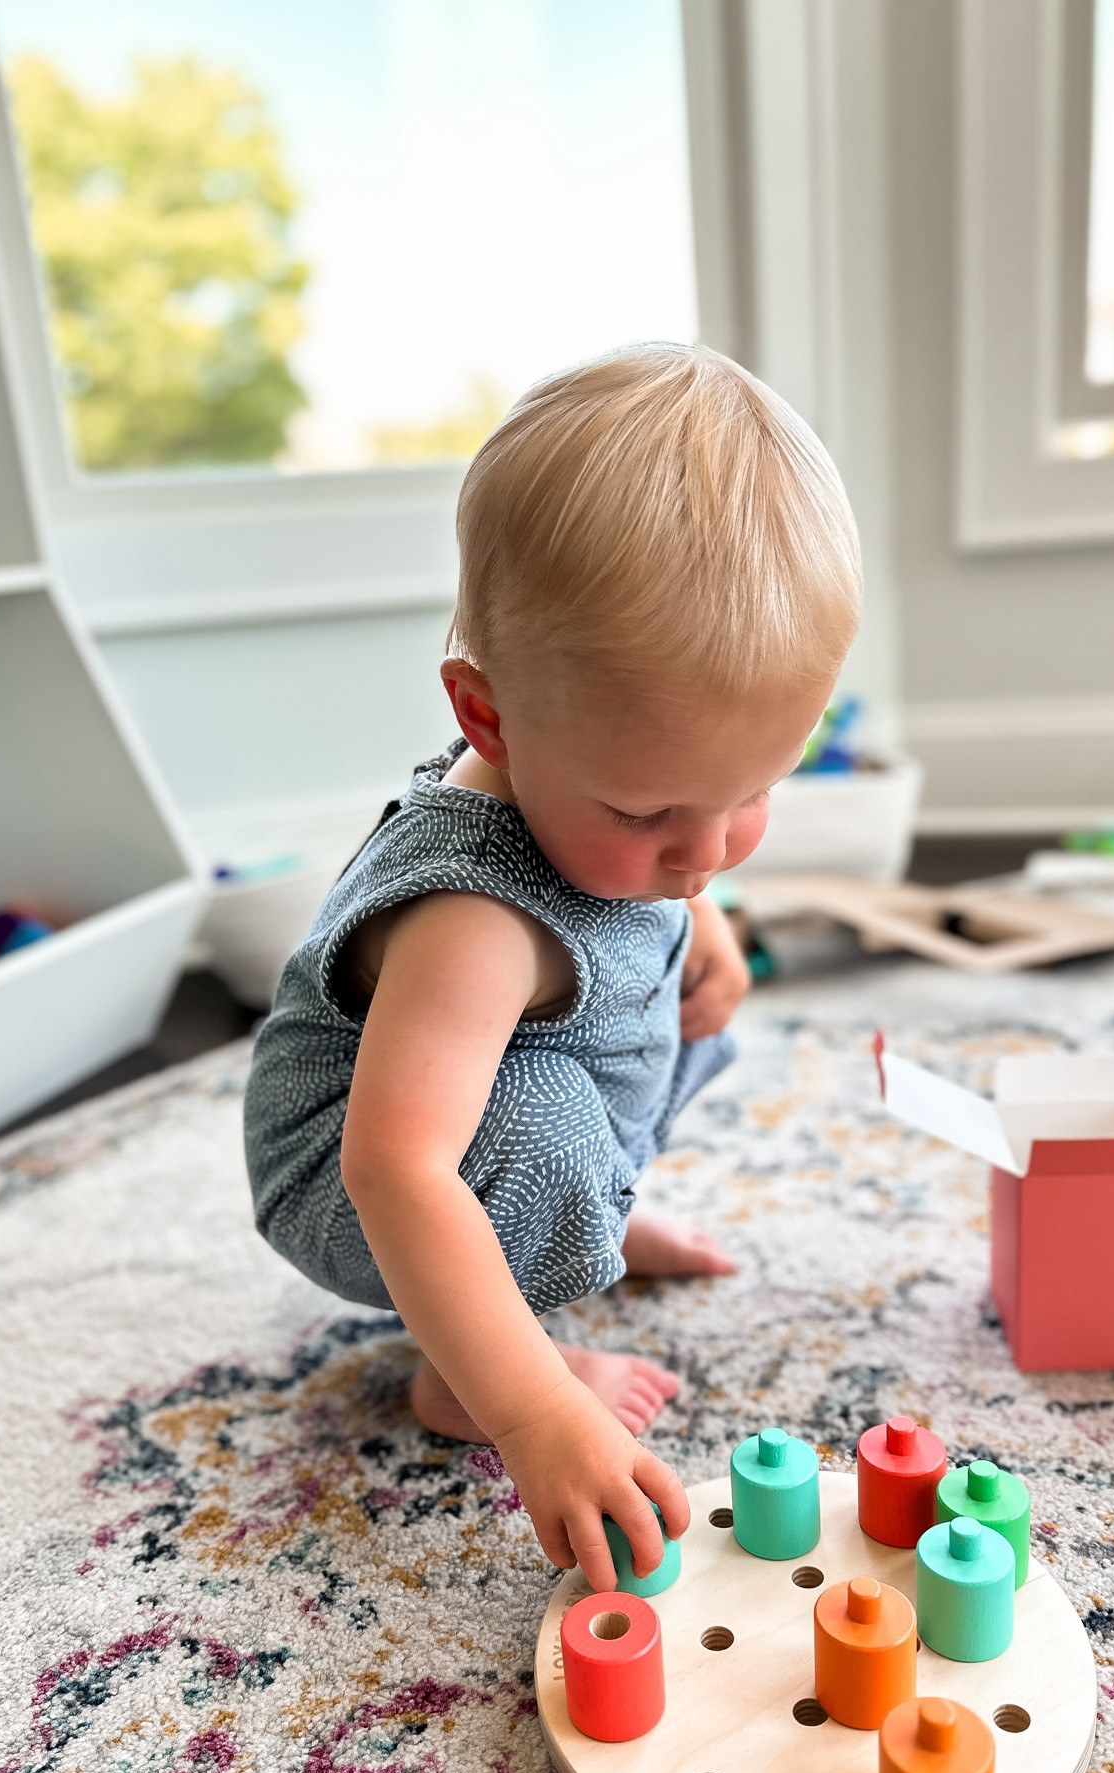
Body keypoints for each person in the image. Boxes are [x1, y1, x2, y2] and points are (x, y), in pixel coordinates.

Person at [245, 344, 861, 1591]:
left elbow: (683, 842)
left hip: (514, 1084)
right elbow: (395, 1167)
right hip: (358, 1174)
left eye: (753, 790)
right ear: (488, 716)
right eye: (648, 811)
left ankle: (590, 1217)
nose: (705, 851)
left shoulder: (618, 788)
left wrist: (697, 911)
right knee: (542, 1125)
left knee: (665, 1014)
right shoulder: (471, 919)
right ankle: (461, 1371)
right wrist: (535, 1415)